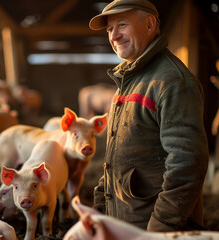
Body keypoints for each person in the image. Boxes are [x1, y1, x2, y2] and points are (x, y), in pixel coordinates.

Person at [89, 0, 209, 232]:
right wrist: (100, 207)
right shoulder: (129, 79)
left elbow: (187, 163)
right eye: (110, 29)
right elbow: (116, 157)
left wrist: (161, 226)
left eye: (122, 25)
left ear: (150, 24)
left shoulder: (172, 82)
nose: (114, 36)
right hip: (127, 222)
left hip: (153, 227)